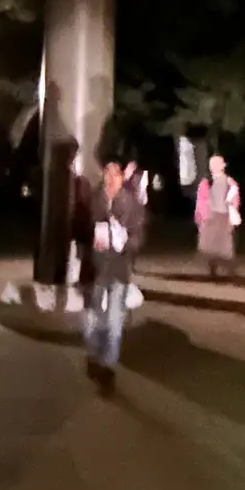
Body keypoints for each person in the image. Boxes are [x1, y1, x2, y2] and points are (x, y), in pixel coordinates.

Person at [83, 159, 145, 393]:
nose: (109, 180)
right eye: (106, 175)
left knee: (115, 321)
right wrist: (93, 239)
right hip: (97, 268)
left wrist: (124, 241)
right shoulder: (95, 200)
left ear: (121, 179)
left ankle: (107, 367)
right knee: (94, 319)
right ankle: (94, 355)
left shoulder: (131, 204)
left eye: (114, 175)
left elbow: (138, 238)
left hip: (118, 270)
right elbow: (85, 227)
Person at [194, 153, 241, 278]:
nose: (214, 166)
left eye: (217, 163)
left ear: (223, 165)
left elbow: (234, 200)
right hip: (210, 216)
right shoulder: (205, 183)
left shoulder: (230, 182)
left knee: (225, 245)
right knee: (209, 245)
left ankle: (231, 271)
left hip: (224, 216)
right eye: (212, 164)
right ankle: (212, 270)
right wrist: (201, 217)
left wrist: (232, 216)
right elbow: (200, 201)